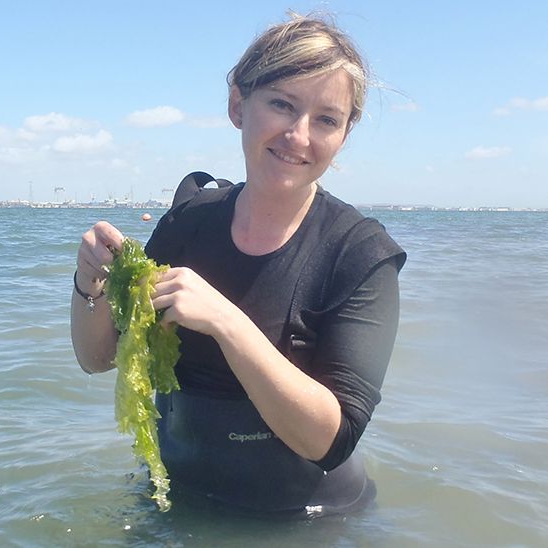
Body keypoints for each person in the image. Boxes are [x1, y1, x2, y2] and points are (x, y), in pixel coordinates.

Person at [71, 13, 406, 518]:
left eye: (326, 119)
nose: (299, 135)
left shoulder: (358, 255)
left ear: (345, 133)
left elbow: (332, 441)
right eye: (281, 104)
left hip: (303, 520)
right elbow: (98, 359)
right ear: (237, 105)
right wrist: (87, 282)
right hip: (175, 503)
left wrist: (225, 321)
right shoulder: (188, 222)